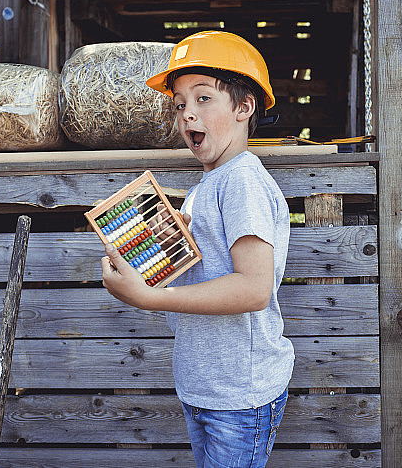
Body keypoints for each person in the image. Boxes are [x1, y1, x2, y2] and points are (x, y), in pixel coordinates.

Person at [100, 30, 294, 468]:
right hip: (206, 385)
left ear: (244, 108)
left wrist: (150, 297)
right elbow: (203, 270)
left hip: (238, 395)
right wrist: (152, 253)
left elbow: (254, 288)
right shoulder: (206, 187)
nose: (188, 115)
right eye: (180, 104)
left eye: (203, 98)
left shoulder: (242, 181)